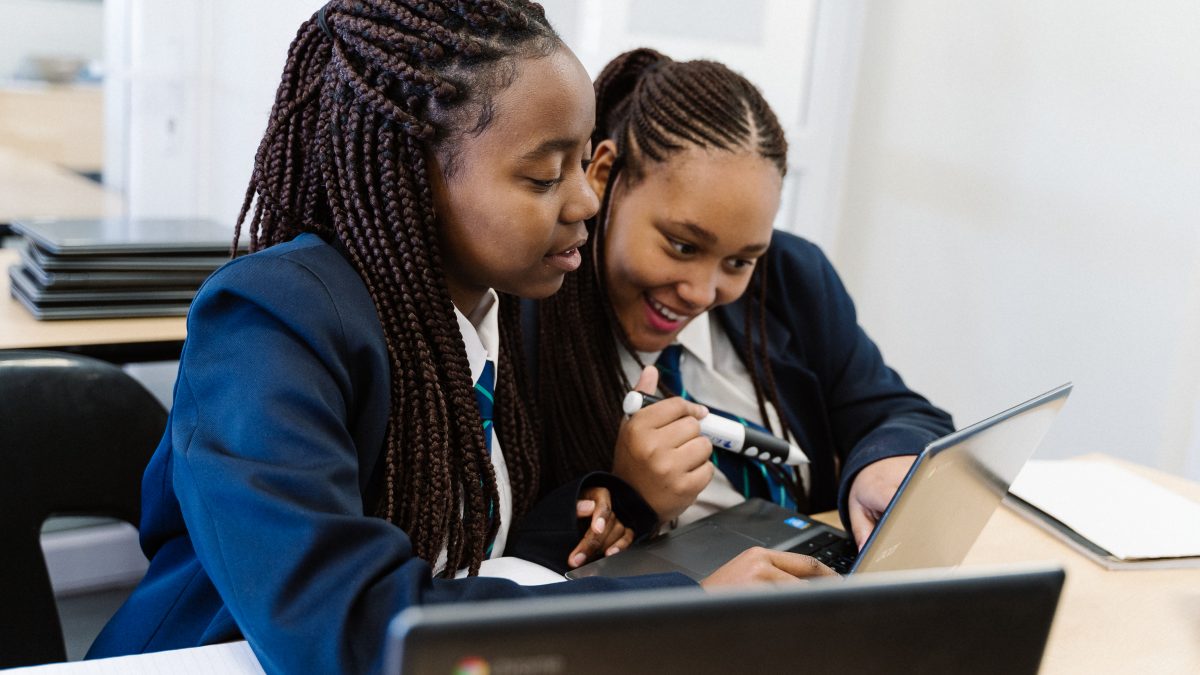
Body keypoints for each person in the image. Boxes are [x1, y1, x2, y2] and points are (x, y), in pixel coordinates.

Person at [87, 8, 833, 674]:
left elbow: (465, 552)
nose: (586, 200)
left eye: (583, 163)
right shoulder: (269, 321)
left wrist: (611, 502)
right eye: (543, 176)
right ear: (415, 174)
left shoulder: (487, 312)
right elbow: (348, 625)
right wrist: (680, 614)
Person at [532, 48, 955, 570]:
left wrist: (880, 467)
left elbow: (903, 413)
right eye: (682, 246)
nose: (702, 293)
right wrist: (629, 497)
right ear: (602, 174)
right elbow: (514, 547)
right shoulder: (531, 315)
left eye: (739, 261)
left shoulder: (792, 277)